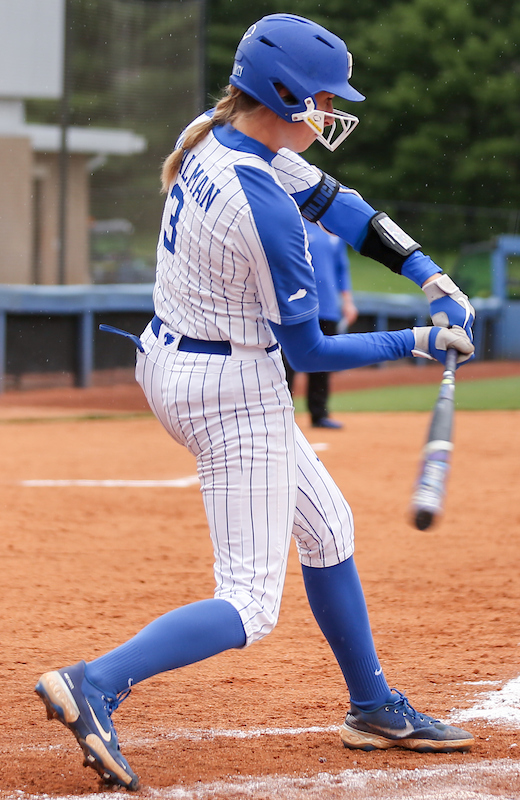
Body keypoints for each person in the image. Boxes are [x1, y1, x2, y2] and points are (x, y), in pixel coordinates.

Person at [35, 14, 478, 792]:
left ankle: (372, 706)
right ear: (283, 95)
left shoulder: (215, 132)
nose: (330, 114)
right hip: (230, 390)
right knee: (248, 602)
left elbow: (340, 203)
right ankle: (95, 683)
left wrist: (429, 274)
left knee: (328, 526)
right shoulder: (260, 203)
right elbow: (308, 354)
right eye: (322, 101)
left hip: (178, 360)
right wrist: (417, 341)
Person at [283, 221, 360, 429]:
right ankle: (281, 414)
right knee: (288, 361)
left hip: (328, 307)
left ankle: (319, 414)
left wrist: (348, 301)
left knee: (323, 361)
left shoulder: (333, 230)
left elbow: (341, 268)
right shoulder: (295, 225)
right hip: (299, 305)